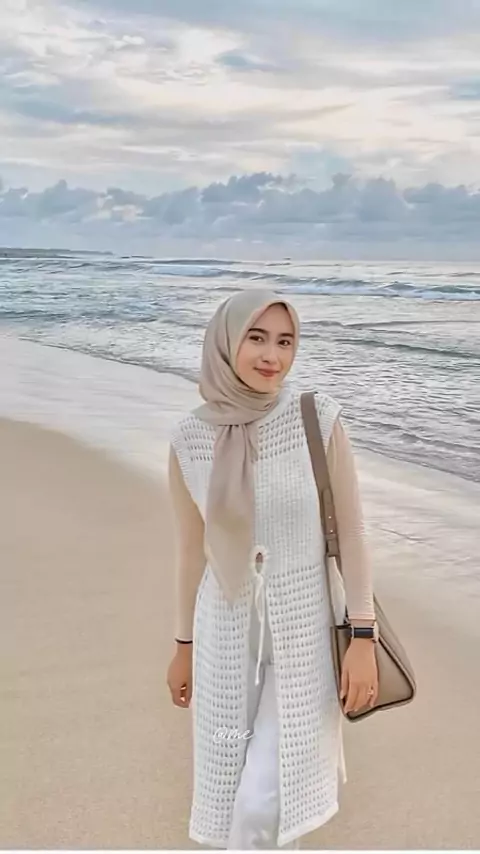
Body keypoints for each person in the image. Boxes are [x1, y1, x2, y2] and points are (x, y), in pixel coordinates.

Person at [166, 288, 379, 850]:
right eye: (256, 338)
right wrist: (183, 645)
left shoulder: (316, 418)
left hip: (304, 631)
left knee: (265, 797)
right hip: (224, 633)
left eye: (286, 342)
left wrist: (363, 637)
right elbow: (191, 551)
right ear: (226, 342)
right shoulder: (189, 438)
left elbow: (353, 533)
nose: (273, 356)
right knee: (234, 784)